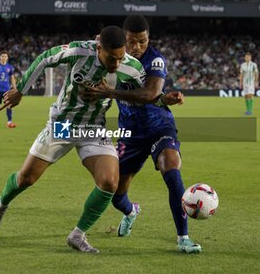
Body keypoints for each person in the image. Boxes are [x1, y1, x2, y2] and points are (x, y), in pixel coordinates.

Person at [0, 26, 182, 253]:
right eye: (111, 58)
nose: (116, 64)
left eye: (120, 58)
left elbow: (147, 96)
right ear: (99, 48)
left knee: (109, 181)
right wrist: (21, 89)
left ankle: (77, 235)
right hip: (64, 124)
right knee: (27, 178)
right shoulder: (80, 50)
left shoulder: (132, 67)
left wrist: (165, 99)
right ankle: (1, 204)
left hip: (93, 128)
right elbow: (45, 58)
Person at [83, 15, 200, 253]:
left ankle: (183, 238)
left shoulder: (155, 59)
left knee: (172, 171)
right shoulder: (112, 58)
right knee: (115, 194)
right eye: (132, 42)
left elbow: (149, 93)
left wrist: (112, 93)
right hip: (130, 133)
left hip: (160, 126)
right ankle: (131, 211)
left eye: (143, 41)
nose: (138, 47)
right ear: (123, 40)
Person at [0, 51, 17, 128]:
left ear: (7, 58)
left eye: (5, 56)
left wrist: (14, 88)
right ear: (0, 57)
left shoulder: (9, 67)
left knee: (9, 104)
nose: (4, 58)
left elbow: (12, 78)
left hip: (6, 90)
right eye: (2, 56)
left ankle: (9, 122)